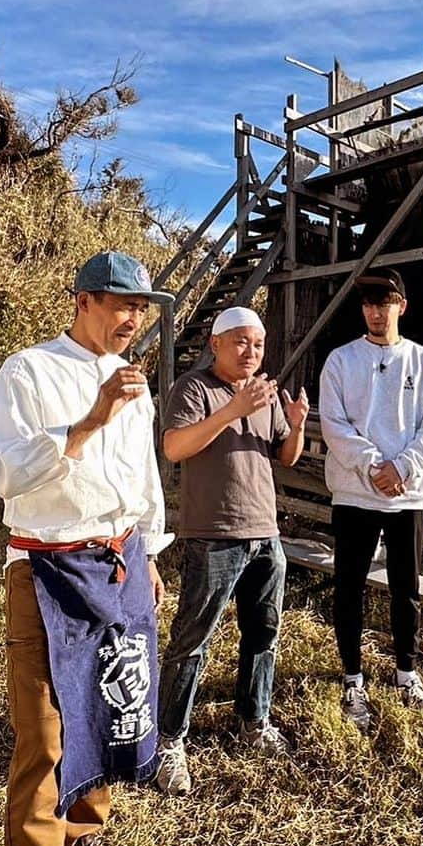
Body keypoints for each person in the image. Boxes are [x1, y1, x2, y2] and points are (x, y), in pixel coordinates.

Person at [0, 250, 173, 846]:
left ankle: (83, 845)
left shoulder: (134, 383)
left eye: (142, 308)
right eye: (122, 304)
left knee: (110, 716)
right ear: (83, 300)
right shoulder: (28, 371)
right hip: (48, 571)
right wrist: (86, 422)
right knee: (45, 744)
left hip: (119, 566)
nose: (133, 319)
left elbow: (141, 474)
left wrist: (147, 547)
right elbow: (3, 473)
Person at [154, 305, 309, 796]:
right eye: (240, 341)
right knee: (191, 641)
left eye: (258, 344)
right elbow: (175, 447)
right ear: (216, 344)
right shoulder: (194, 388)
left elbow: (285, 456)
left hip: (265, 534)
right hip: (213, 535)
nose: (251, 351)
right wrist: (231, 411)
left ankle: (253, 721)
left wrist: (297, 423)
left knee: (263, 635)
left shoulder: (264, 394)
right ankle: (169, 742)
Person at [318, 267, 423, 733]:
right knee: (349, 586)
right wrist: (374, 466)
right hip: (356, 493)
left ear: (402, 306)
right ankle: (353, 678)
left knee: (405, 589)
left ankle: (406, 673)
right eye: (369, 303)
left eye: (385, 301)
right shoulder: (340, 361)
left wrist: (403, 467)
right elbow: (334, 424)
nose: (376, 310)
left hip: (407, 496)